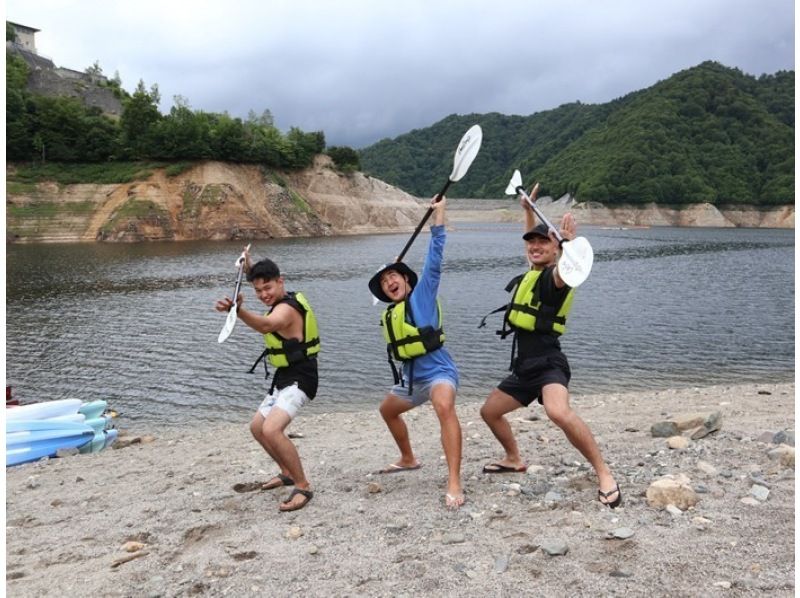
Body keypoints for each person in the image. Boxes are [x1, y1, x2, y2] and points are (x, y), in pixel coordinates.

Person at [479, 184, 621, 508]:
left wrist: (569, 245)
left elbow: (563, 271)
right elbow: (533, 245)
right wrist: (527, 210)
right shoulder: (534, 269)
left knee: (558, 411)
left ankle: (604, 473)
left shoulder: (555, 279)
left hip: (548, 363)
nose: (535, 246)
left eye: (544, 242)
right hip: (524, 367)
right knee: (489, 412)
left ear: (556, 250)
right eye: (532, 243)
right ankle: (513, 458)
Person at [368, 197, 464, 509]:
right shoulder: (390, 313)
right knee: (387, 410)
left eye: (394, 276)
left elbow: (435, 257)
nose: (389, 283)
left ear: (407, 279)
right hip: (411, 379)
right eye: (384, 282)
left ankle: (453, 480)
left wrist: (439, 214)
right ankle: (408, 458)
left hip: (438, 373)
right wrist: (392, 269)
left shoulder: (422, 295)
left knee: (443, 405)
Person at [215, 249, 320, 512]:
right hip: (284, 377)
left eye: (268, 288)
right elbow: (261, 280)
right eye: (258, 290)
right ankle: (286, 471)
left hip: (302, 377)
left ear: (281, 281)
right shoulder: (280, 296)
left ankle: (303, 486)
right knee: (257, 428)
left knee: (272, 430)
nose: (264, 295)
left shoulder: (285, 310)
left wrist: (238, 311)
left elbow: (265, 325)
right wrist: (248, 265)